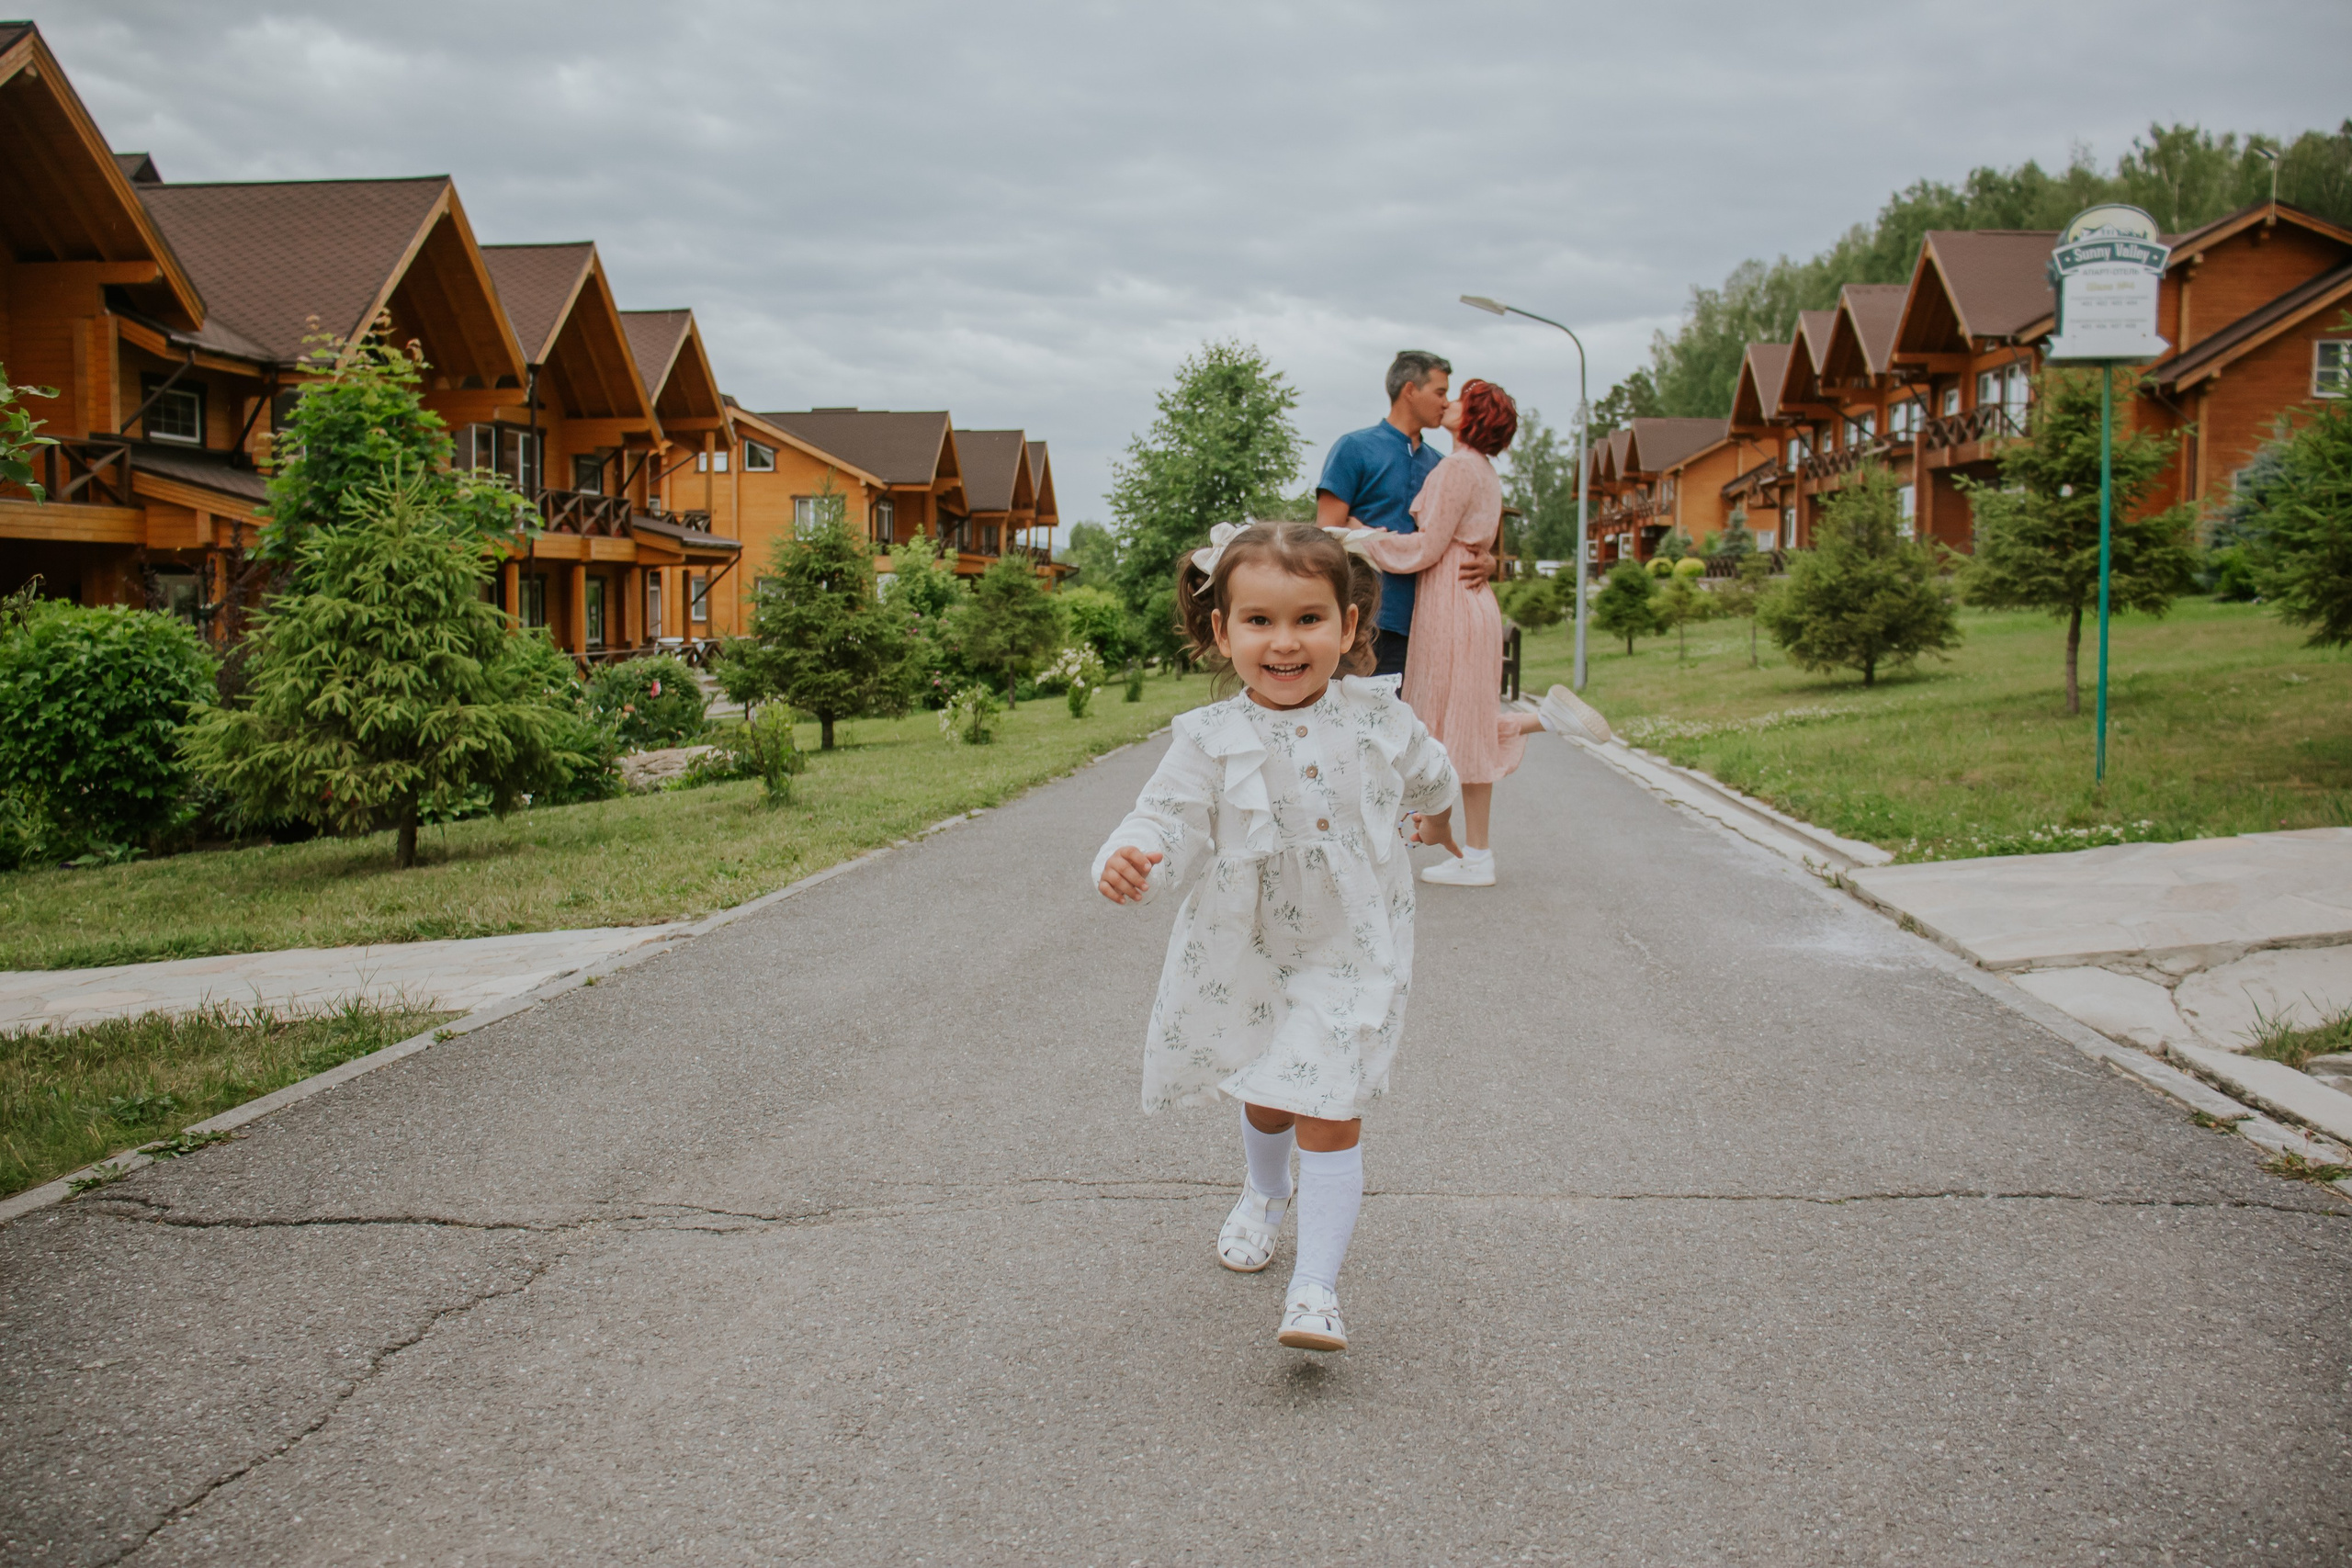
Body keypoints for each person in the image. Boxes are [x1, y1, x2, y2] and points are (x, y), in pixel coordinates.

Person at [1092, 524, 1460, 1354]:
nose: (1285, 641)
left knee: (1330, 1102)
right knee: (1268, 1087)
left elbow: (1433, 768)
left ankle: (1315, 1290)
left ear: (1351, 627)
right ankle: (1264, 1193)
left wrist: (1439, 816)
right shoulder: (1207, 737)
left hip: (1351, 943)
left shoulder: (1376, 715)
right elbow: (1164, 817)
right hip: (1248, 943)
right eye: (1259, 620)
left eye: (1309, 619)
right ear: (1222, 631)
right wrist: (1131, 857)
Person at [1351, 378, 1555, 888]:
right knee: (1463, 723)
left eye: (1461, 398)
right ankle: (1477, 850)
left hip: (1452, 605)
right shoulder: (1481, 470)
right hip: (1471, 603)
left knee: (1435, 727)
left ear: (1474, 416)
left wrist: (1362, 538)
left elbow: (1426, 548)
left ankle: (1394, 847)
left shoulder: (1458, 468)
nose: (1450, 403)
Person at [1316, 350, 1494, 677]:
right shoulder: (1354, 448)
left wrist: (1488, 560)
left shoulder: (1443, 465)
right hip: (1361, 623)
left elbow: (1462, 535)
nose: (1446, 402)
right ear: (1410, 390)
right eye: (1440, 392)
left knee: (1408, 725)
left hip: (1424, 625)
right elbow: (1324, 535)